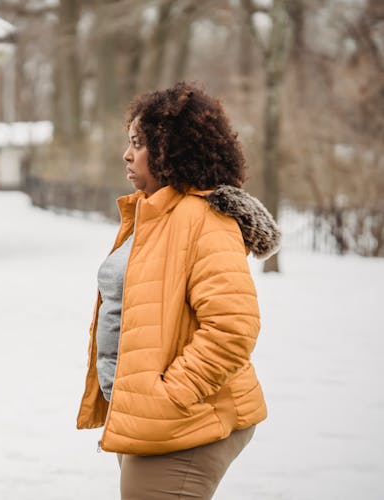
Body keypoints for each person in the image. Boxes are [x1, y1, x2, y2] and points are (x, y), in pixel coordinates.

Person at [76, 82, 281, 499]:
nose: (127, 154)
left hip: (186, 420)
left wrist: (169, 395)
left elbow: (232, 328)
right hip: (150, 419)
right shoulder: (154, 213)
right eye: (128, 142)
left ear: (172, 149)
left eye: (139, 143)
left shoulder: (203, 219)